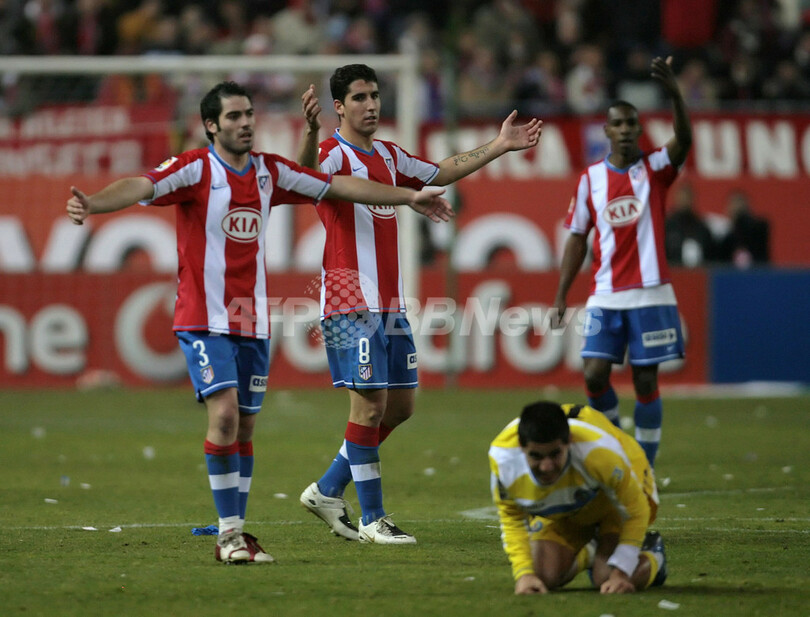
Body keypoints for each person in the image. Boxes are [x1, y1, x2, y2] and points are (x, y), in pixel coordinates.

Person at [65, 81, 453, 564]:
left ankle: (254, 525)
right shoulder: (194, 168)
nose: (245, 122)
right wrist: (94, 203)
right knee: (226, 415)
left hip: (252, 321)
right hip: (203, 317)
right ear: (211, 125)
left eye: (248, 113)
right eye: (233, 116)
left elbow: (335, 186)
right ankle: (233, 535)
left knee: (246, 427)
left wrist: (406, 197)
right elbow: (140, 185)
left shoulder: (269, 170)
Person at [296, 64, 542, 544]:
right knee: (368, 408)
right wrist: (309, 131)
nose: (371, 105)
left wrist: (499, 145)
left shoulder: (389, 155)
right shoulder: (330, 153)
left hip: (390, 303)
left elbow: (440, 171)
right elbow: (302, 176)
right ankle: (373, 519)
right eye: (359, 98)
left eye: (374, 95)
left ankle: (326, 489)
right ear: (339, 107)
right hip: (350, 302)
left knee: (400, 407)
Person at [552, 56, 692, 468]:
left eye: (633, 123)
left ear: (640, 129)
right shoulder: (590, 179)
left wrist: (675, 94)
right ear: (608, 130)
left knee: (645, 379)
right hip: (605, 294)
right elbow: (577, 239)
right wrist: (561, 294)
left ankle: (643, 466)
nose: (627, 129)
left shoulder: (656, 168)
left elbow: (684, 140)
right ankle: (616, 446)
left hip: (651, 293)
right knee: (593, 374)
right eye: (619, 123)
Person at [489, 401, 667, 595]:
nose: (546, 466)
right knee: (541, 576)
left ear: (569, 441)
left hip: (614, 498)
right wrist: (524, 574)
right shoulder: (505, 462)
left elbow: (636, 510)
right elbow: (513, 519)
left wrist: (622, 572)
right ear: (521, 447)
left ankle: (652, 552)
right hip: (574, 504)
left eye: (555, 454)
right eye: (536, 456)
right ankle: (593, 550)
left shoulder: (601, 454)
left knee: (607, 579)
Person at [664, 181, 717, 267]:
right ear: (676, 199)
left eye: (687, 198)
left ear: (693, 199)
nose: (684, 201)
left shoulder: (702, 228)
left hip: (698, 272)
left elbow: (711, 256)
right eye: (682, 198)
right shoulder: (667, 227)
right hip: (672, 271)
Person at [717, 189, 770, 268]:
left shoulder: (758, 228)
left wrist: (741, 219)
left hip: (757, 272)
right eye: (733, 204)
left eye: (739, 204)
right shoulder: (726, 237)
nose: (736, 208)